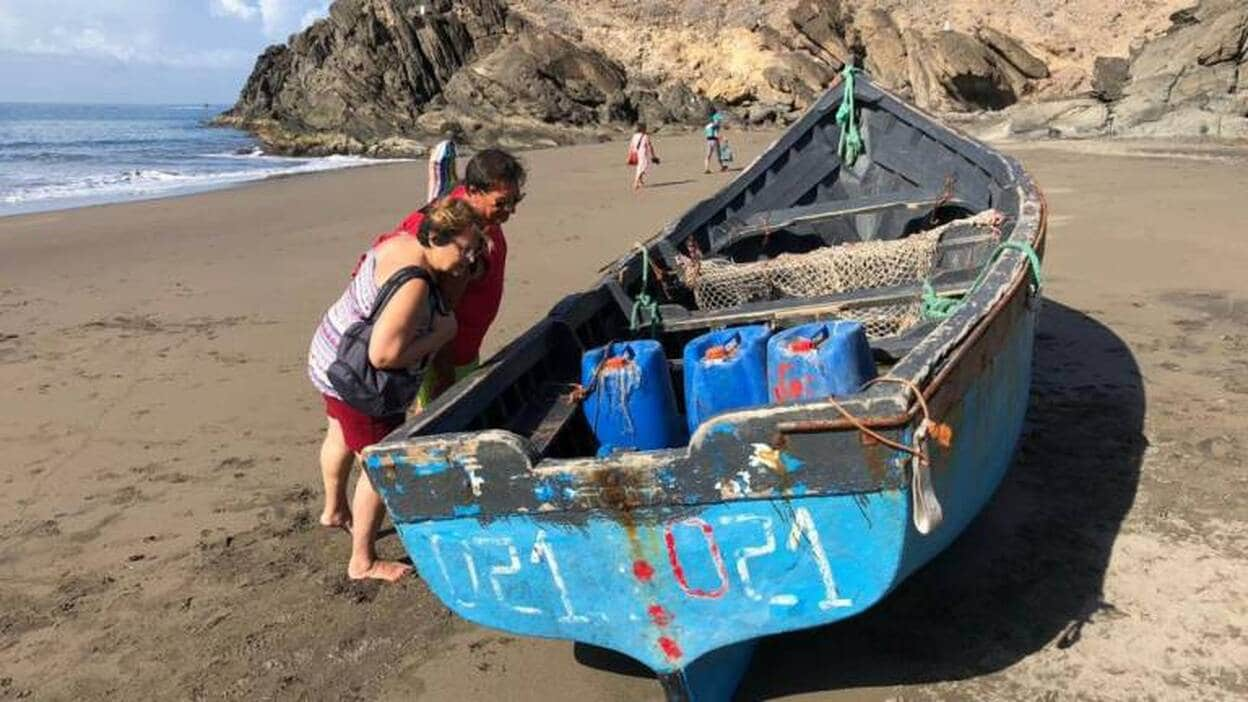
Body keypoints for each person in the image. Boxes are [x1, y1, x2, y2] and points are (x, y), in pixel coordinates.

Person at [308, 198, 483, 581]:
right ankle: (363, 561)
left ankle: (334, 511)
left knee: (338, 431)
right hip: (360, 380)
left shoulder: (401, 241)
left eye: (474, 251)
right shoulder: (415, 283)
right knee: (379, 466)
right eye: (463, 249)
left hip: (330, 355)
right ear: (436, 237)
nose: (469, 260)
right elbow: (385, 355)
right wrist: (441, 334)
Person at [402, 149, 526, 407]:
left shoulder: (476, 216)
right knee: (440, 421)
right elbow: (440, 312)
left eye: (516, 201)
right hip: (443, 357)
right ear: (473, 191)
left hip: (465, 348)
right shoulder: (460, 242)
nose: (510, 210)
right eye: (501, 203)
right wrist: (443, 378)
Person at [426, 123, 462, 204]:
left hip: (448, 176)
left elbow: (453, 164)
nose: (450, 136)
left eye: (452, 134)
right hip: (440, 173)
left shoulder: (453, 146)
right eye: (449, 134)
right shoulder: (441, 146)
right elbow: (434, 162)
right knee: (439, 186)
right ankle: (433, 201)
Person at [627, 122, 659, 190]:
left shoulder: (634, 136)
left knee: (640, 166)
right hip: (643, 153)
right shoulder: (645, 136)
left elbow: (631, 145)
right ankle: (636, 182)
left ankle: (640, 181)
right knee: (644, 166)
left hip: (636, 152)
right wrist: (653, 155)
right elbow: (649, 146)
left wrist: (630, 154)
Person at [703, 108, 727, 173]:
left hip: (708, 140)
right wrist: (723, 138)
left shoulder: (707, 126)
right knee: (718, 154)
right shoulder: (714, 125)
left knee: (708, 155)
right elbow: (716, 134)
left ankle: (706, 168)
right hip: (714, 140)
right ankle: (722, 167)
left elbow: (706, 134)